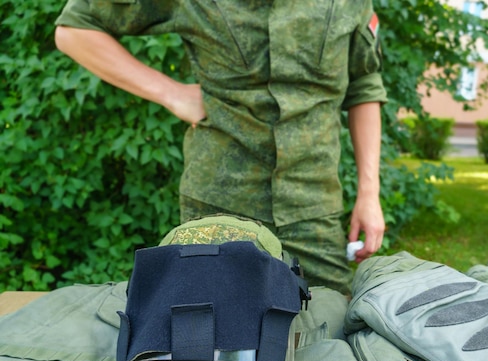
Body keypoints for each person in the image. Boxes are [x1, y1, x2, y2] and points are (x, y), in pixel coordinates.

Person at [54, 0, 387, 294]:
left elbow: (364, 84)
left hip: (314, 209)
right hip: (218, 207)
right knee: (213, 341)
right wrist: (171, 93)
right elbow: (74, 28)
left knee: (326, 332)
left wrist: (369, 194)